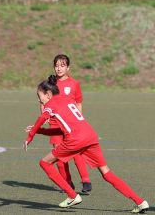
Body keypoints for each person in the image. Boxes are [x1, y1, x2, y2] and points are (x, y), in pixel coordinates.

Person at [22, 75, 149, 213]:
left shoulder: (51, 104)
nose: (38, 99)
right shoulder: (66, 100)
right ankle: (140, 202)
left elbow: (42, 118)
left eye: (39, 95)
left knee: (45, 163)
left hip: (76, 139)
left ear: (48, 94)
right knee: (106, 173)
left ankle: (72, 195)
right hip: (90, 136)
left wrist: (30, 136)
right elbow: (63, 129)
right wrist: (41, 131)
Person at [41, 54, 92, 194]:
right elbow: (43, 101)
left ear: (68, 67)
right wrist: (44, 116)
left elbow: (78, 103)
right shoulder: (50, 83)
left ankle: (86, 180)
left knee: (76, 152)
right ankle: (67, 182)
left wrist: (80, 120)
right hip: (55, 124)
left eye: (62, 65)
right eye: (56, 65)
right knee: (59, 156)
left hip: (71, 124)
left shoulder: (74, 84)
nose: (59, 68)